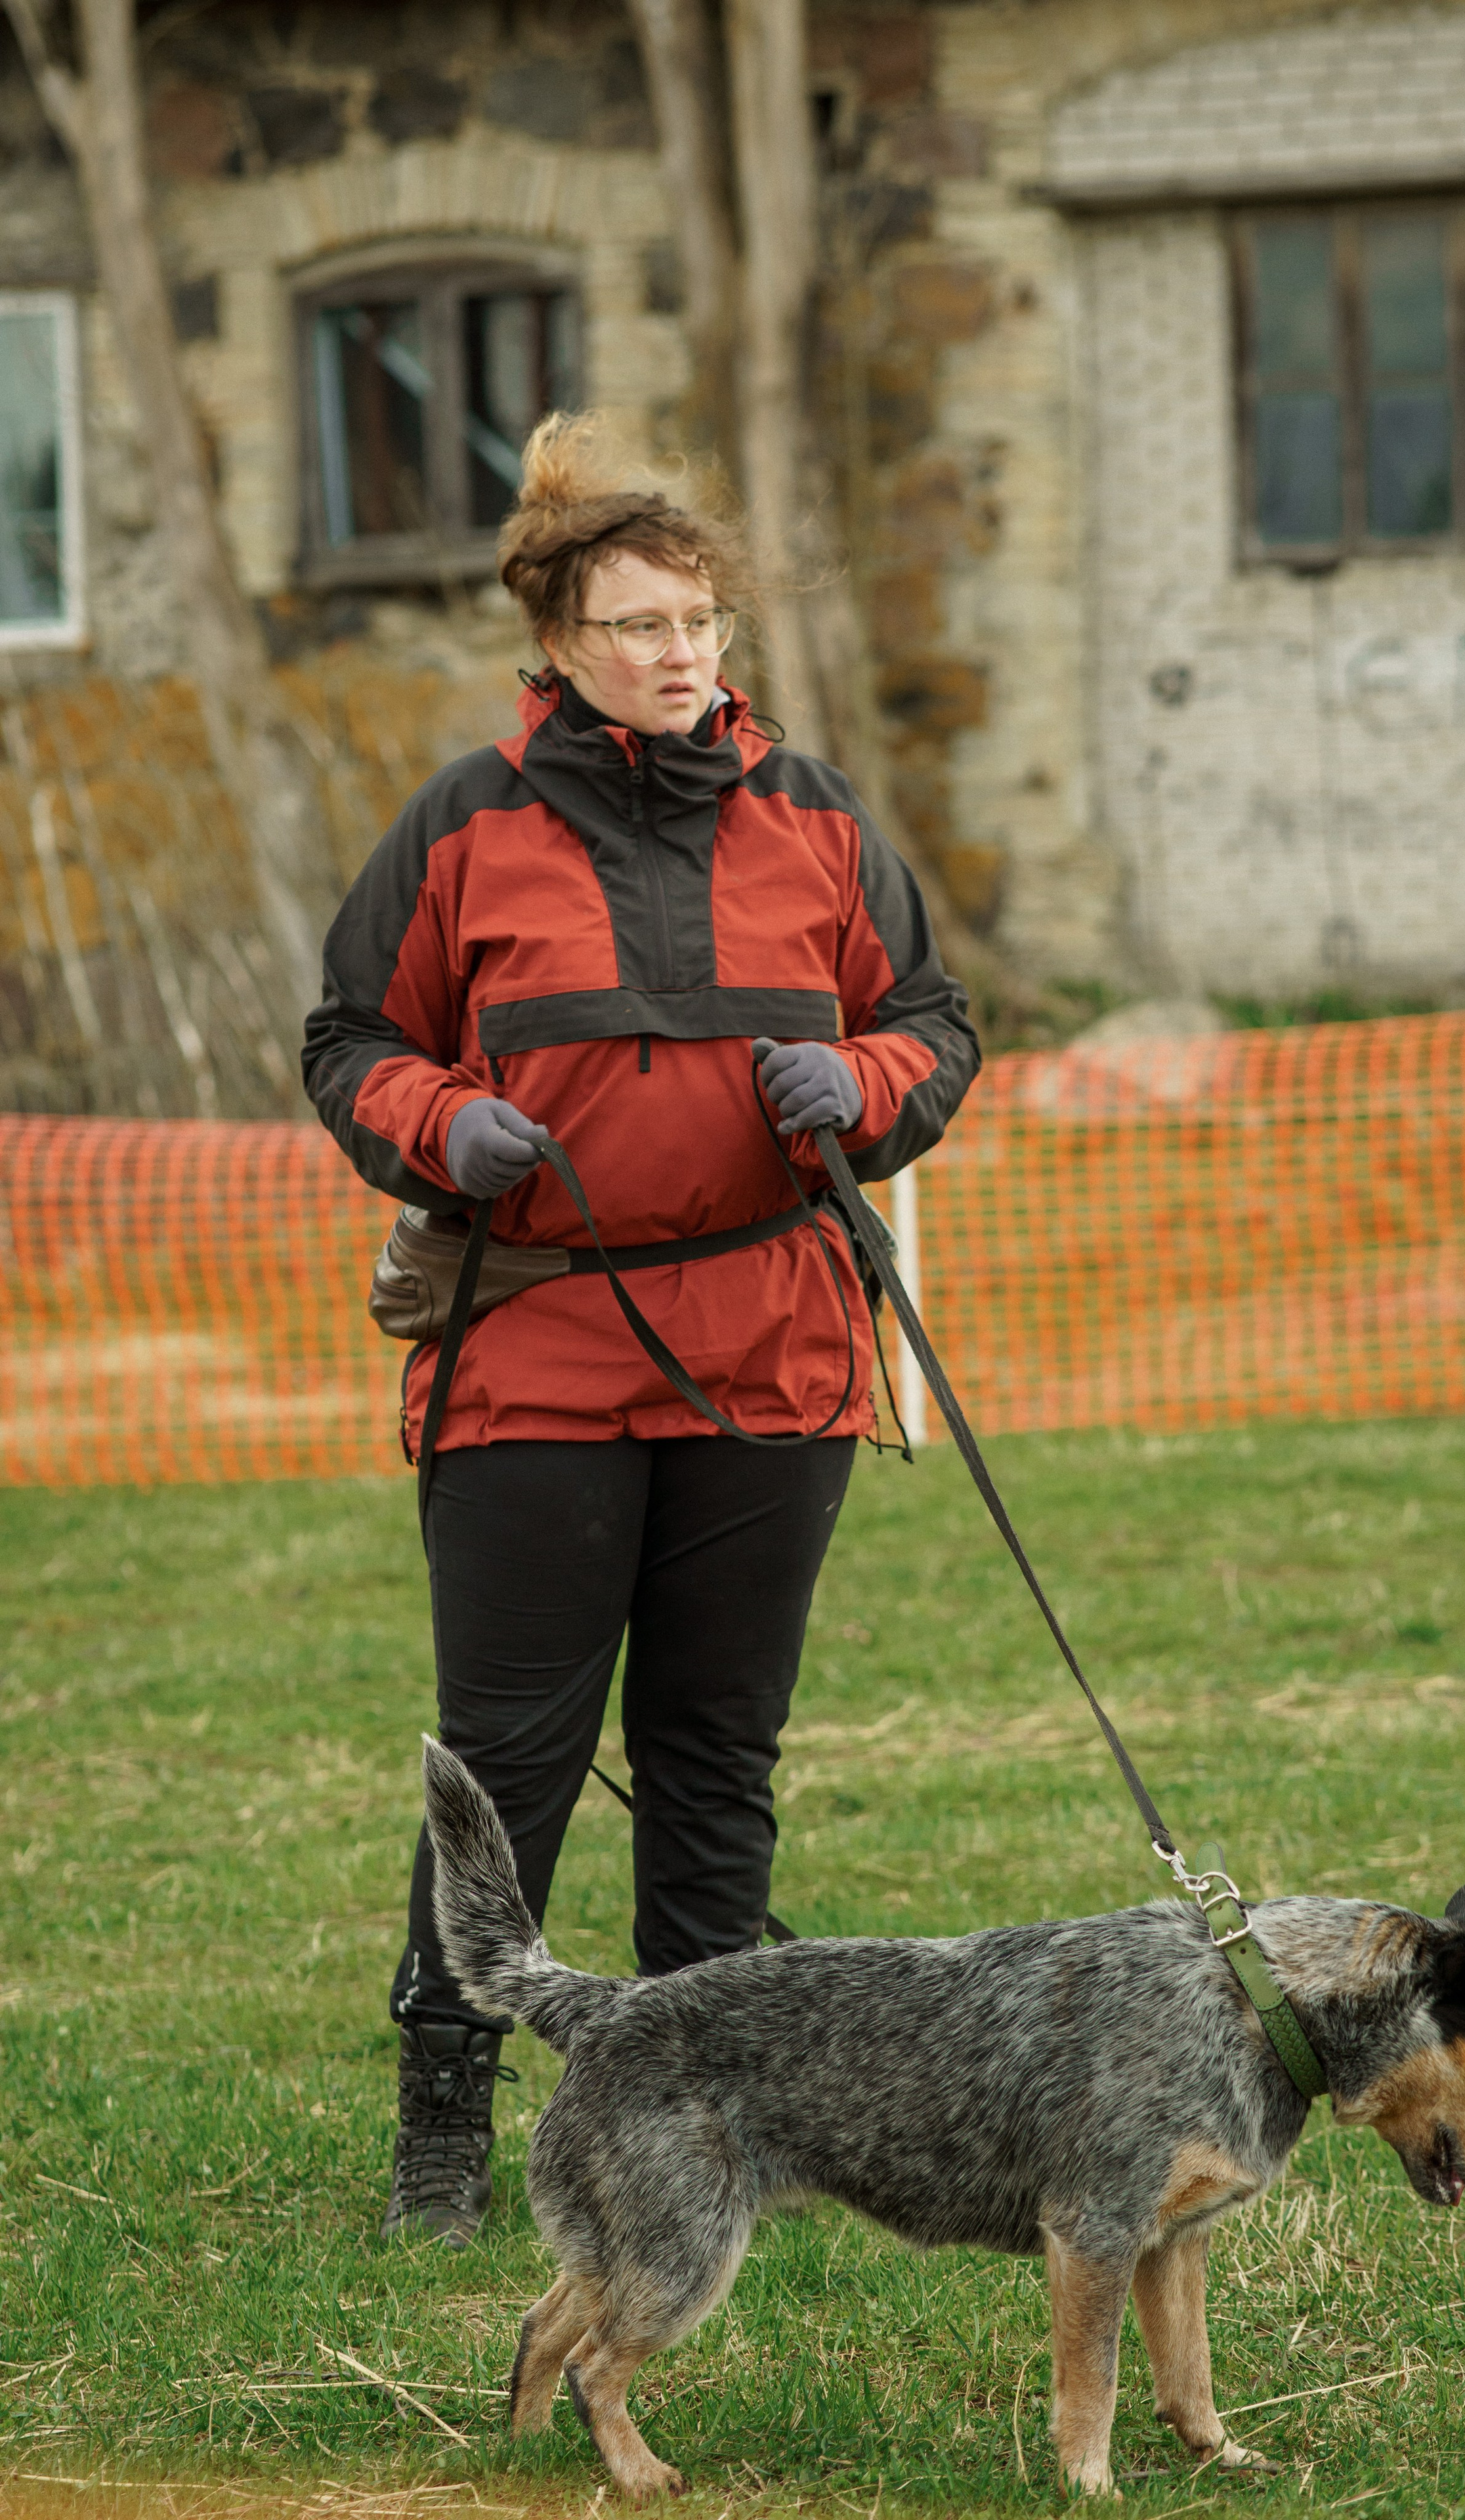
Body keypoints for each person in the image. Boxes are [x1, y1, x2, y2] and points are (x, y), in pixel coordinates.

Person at [301, 414, 981, 2245]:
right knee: (507, 1756)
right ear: (558, 643)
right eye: (640, 625)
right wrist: (450, 1127)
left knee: (713, 1755)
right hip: (535, 1355)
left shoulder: (820, 817)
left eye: (698, 620)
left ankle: (718, 2140)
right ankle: (442, 2141)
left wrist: (854, 1077)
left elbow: (937, 1027)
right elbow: (349, 1044)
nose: (682, 653)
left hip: (774, 1349)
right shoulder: (464, 825)